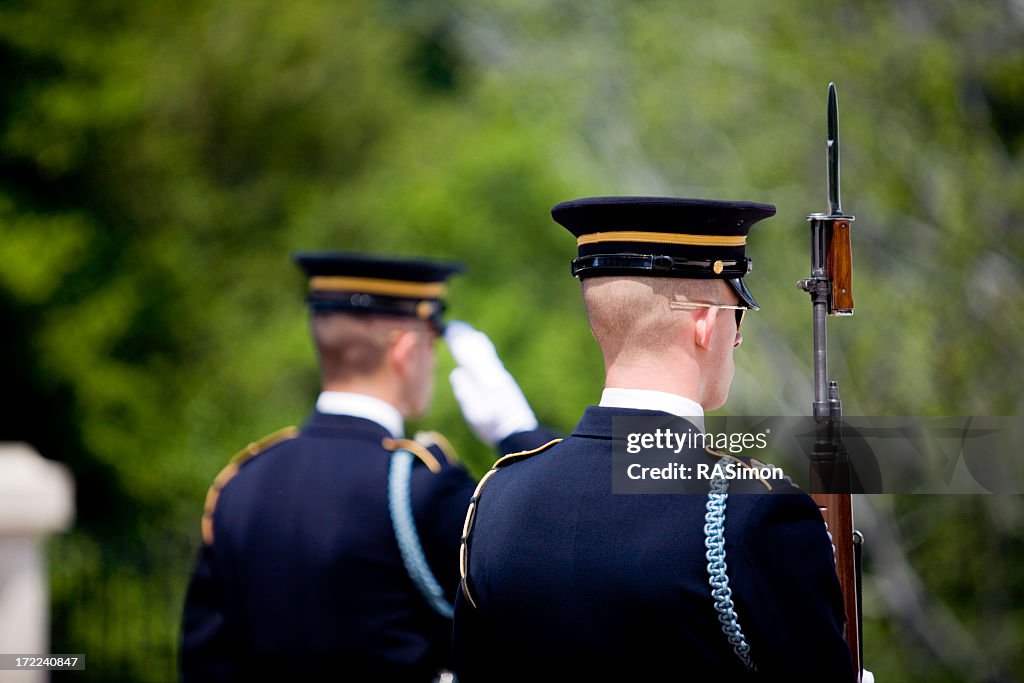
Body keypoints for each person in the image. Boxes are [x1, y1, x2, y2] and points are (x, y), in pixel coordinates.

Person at [453, 197, 856, 681]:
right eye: (738, 315)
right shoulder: (755, 515)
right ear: (705, 322)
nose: (737, 338)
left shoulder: (495, 500)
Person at [180, 251, 554, 682]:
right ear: (405, 349)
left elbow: (204, 659)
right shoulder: (419, 490)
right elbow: (549, 584)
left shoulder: (239, 483)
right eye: (430, 344)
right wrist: (521, 435)